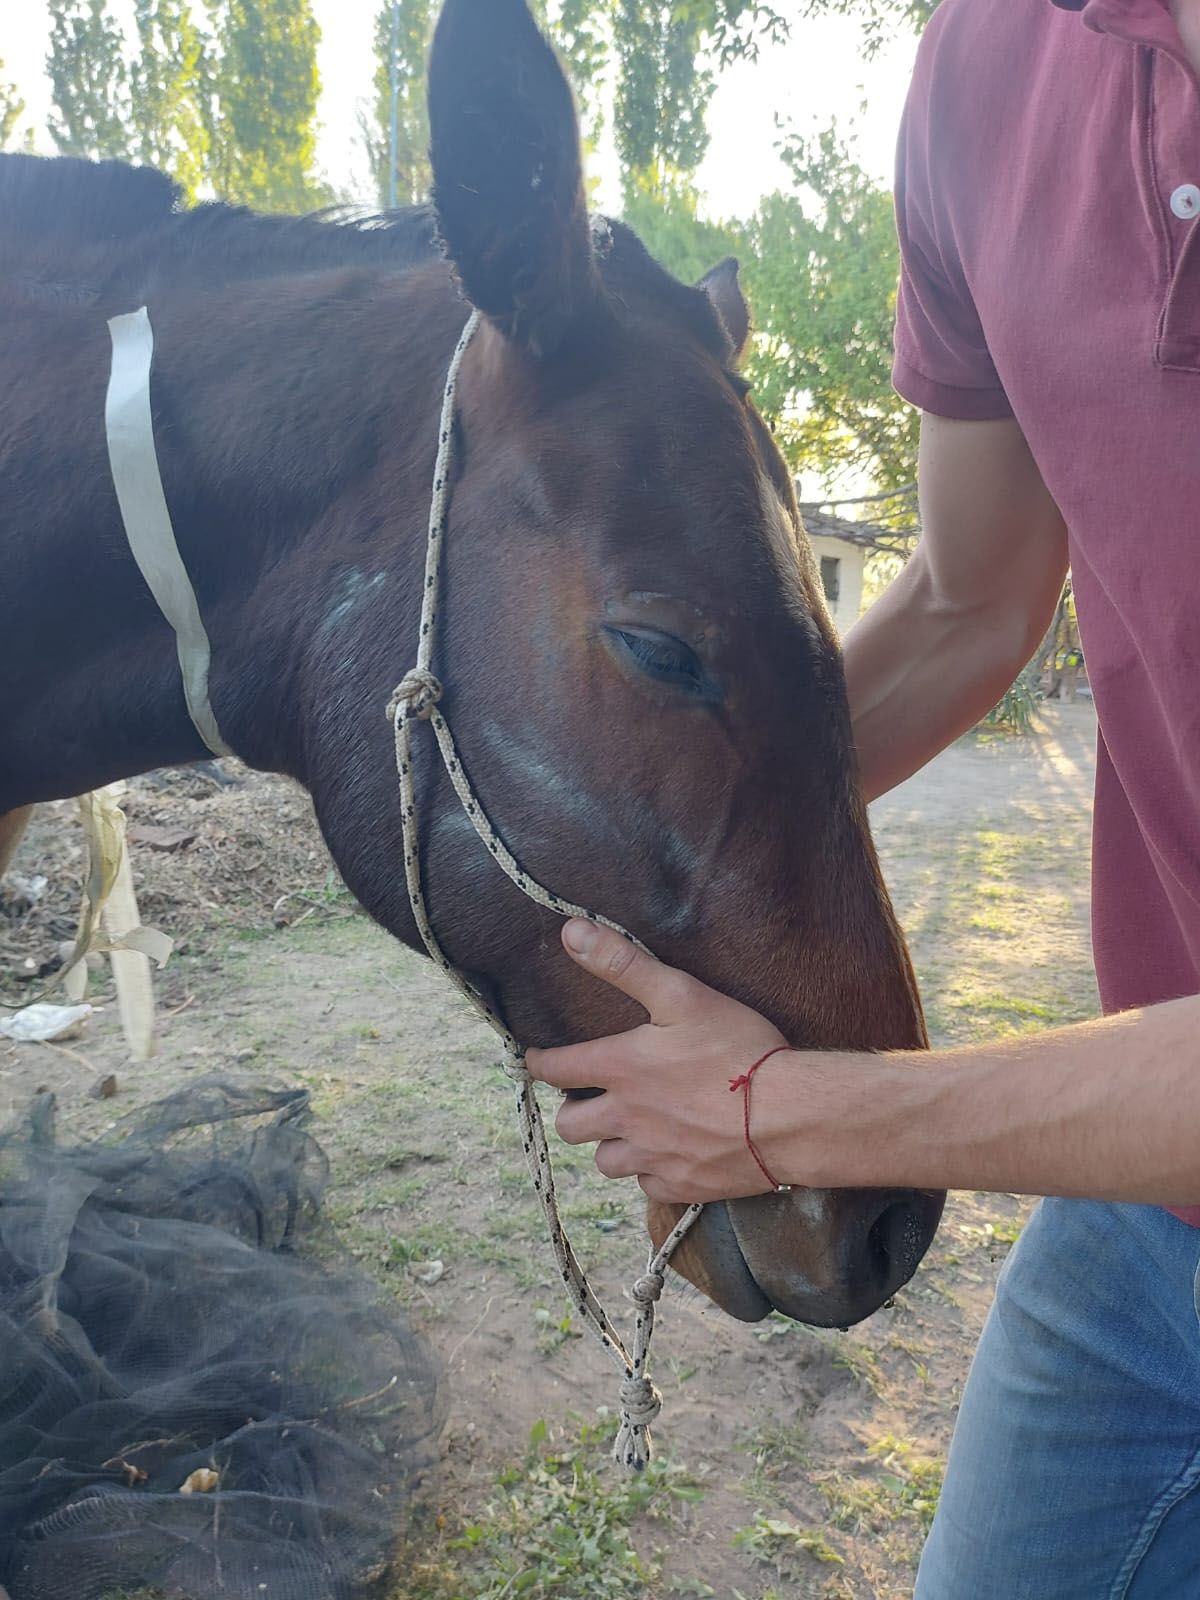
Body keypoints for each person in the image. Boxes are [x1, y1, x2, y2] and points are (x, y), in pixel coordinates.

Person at [527, 1, 1200, 1593]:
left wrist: (777, 1115)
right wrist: (616, 868)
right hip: (1155, 1218)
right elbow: (971, 597)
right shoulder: (992, 67)